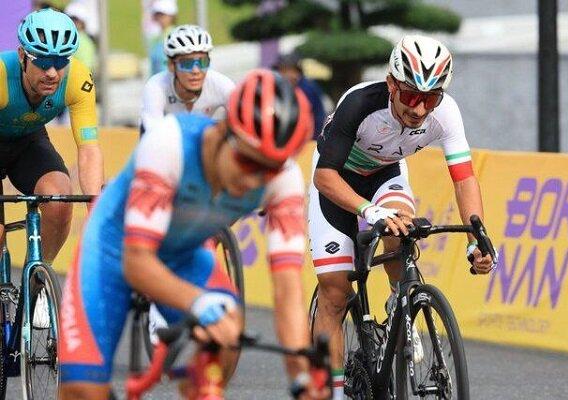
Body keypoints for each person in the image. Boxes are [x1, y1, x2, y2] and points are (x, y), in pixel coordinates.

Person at [58, 69, 328, 400]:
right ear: (224, 130)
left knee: (227, 333)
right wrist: (197, 301)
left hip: (181, 254)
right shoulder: (169, 143)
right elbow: (136, 261)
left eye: (269, 169)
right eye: (247, 162)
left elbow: (288, 288)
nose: (254, 180)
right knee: (83, 389)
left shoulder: (284, 180)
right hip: (113, 249)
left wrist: (301, 377)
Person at [308, 34, 496, 399]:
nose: (420, 109)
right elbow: (324, 177)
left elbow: (464, 179)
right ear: (392, 84)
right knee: (334, 291)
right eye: (411, 96)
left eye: (431, 98)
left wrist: (477, 241)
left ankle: (401, 300)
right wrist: (368, 209)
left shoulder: (446, 113)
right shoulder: (360, 103)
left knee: (402, 227)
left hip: (385, 174)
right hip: (336, 179)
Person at [0, 8, 103, 264]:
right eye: (43, 62)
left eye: (61, 61)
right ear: (22, 56)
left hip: (28, 141)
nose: (52, 73)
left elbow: (89, 149)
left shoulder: (77, 78)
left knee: (59, 201)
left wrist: (95, 210)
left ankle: (37, 278)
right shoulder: (2, 75)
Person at [140, 24, 235, 134]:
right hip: (167, 137)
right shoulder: (156, 86)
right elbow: (152, 133)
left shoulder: (222, 85)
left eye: (203, 62)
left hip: (204, 137)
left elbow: (243, 126)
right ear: (171, 65)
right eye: (187, 63)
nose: (196, 71)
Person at [274, 52, 327, 140]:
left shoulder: (309, 88)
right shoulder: (274, 88)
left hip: (306, 139)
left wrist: (313, 139)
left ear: (299, 72)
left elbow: (319, 116)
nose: (289, 75)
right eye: (284, 70)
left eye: (293, 71)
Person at [65, 2, 97, 72]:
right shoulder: (83, 38)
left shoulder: (81, 40)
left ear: (82, 22)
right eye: (70, 18)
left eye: (75, 19)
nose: (72, 22)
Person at [147, 0, 177, 76]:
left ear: (171, 16)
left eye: (162, 15)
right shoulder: (156, 37)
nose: (159, 18)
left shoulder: (176, 35)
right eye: (157, 15)